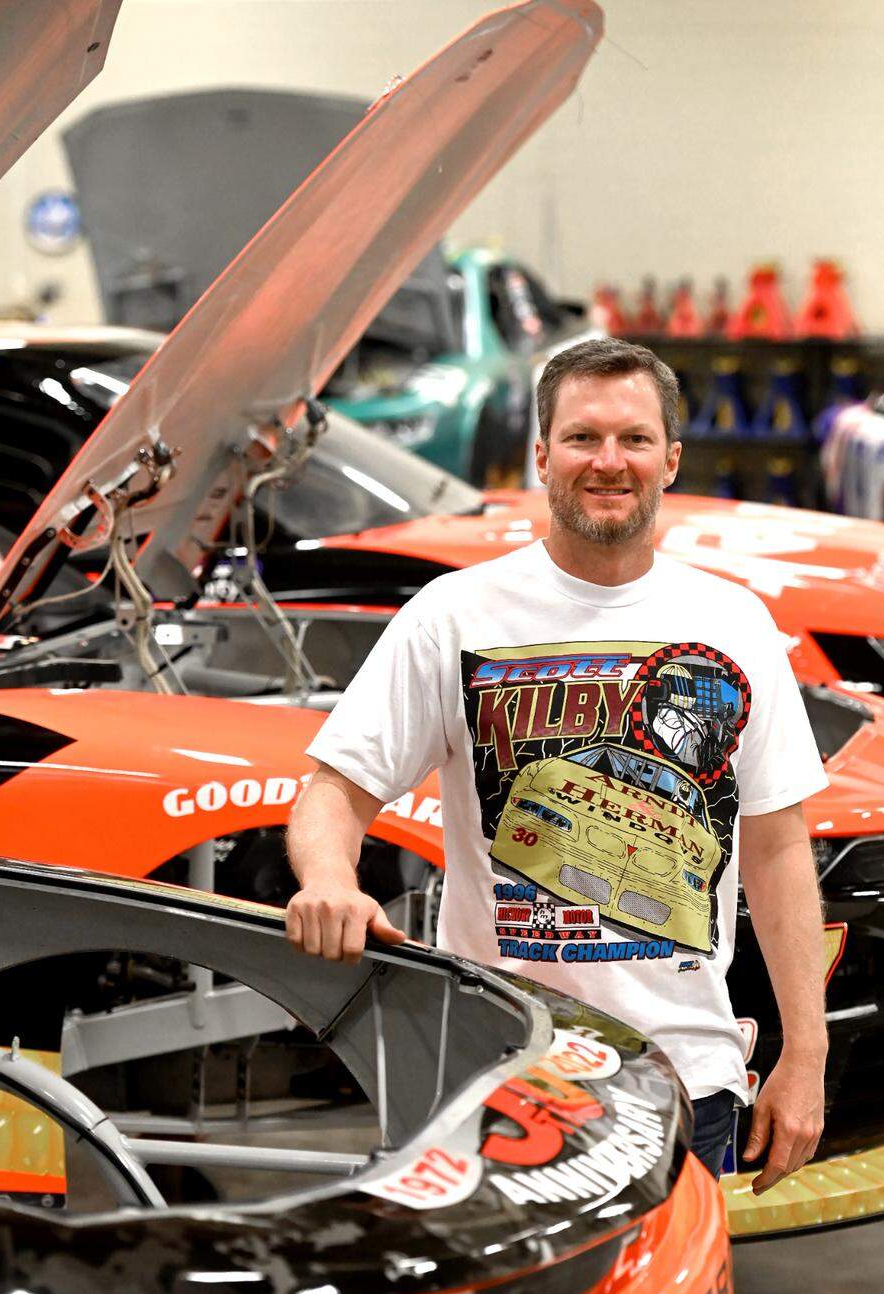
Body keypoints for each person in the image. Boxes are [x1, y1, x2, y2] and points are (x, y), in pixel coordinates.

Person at [286, 338, 829, 1191]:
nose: (608, 462)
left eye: (634, 440)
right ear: (542, 456)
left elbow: (776, 846)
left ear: (670, 460)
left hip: (690, 1071)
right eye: (582, 438)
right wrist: (329, 879)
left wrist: (808, 1053)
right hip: (504, 1062)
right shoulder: (455, 614)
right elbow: (335, 789)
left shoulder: (734, 622)